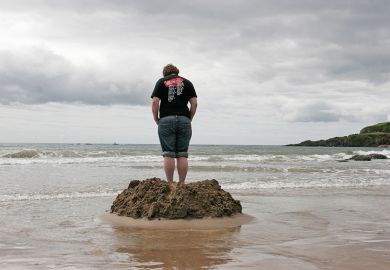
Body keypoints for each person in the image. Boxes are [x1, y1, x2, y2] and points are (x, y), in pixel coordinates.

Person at [151, 64, 198, 185]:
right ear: (177, 72)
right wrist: (189, 118)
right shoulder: (187, 83)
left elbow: (155, 101)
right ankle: (181, 183)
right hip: (184, 119)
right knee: (182, 153)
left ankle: (171, 183)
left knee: (168, 153)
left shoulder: (161, 81)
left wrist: (156, 118)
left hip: (166, 119)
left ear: (165, 73)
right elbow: (194, 103)